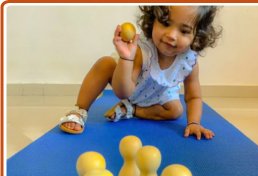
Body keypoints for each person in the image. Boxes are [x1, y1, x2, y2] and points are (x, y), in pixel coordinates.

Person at [59, 6, 222, 140]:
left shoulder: (189, 61)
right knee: (105, 64)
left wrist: (193, 122)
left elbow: (193, 97)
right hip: (126, 83)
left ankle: (131, 110)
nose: (172, 35)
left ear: (197, 35)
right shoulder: (142, 51)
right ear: (153, 21)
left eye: (184, 31)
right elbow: (122, 91)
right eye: (165, 23)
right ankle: (79, 110)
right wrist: (126, 58)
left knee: (176, 111)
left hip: (157, 94)